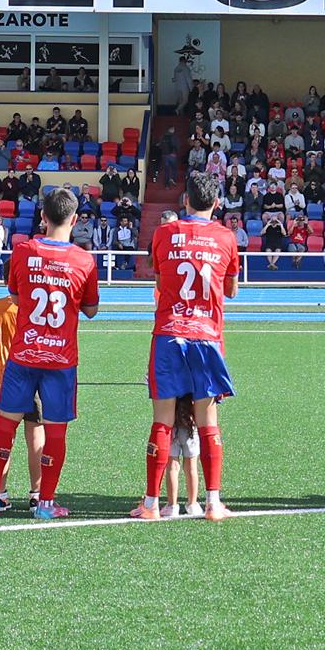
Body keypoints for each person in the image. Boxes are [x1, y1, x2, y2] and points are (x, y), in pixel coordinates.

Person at [0, 186, 98, 520]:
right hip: (60, 360)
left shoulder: (23, 251)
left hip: (23, 355)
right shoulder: (83, 260)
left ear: (43, 216)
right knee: (54, 431)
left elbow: (16, 298)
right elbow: (90, 309)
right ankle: (45, 503)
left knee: (4, 426)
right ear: (75, 220)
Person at [140, 173, 241, 522]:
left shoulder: (164, 233)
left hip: (169, 334)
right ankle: (213, 503)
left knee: (162, 422)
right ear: (216, 203)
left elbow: (158, 276)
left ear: (185, 201)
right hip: (207, 337)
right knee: (208, 421)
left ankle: (152, 504)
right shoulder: (226, 238)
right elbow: (230, 290)